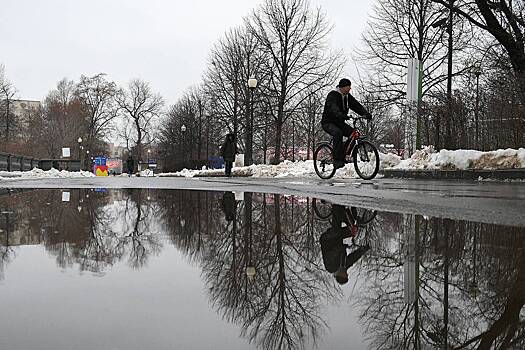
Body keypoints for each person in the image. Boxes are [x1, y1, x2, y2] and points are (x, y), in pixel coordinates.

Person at [321, 78, 372, 169]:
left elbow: (356, 106)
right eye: (348, 87)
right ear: (342, 87)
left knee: (354, 134)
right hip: (328, 122)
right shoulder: (333, 95)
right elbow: (333, 107)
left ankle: (343, 153)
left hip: (339, 122)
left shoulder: (347, 97)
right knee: (338, 133)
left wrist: (365, 114)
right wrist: (340, 115)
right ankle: (337, 160)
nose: (349, 89)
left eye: (350, 87)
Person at [320, 204, 369, 285]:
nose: (347, 274)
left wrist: (344, 246)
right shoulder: (344, 266)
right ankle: (343, 213)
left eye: (345, 276)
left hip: (327, 240)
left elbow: (332, 253)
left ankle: (336, 208)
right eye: (347, 276)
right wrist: (363, 250)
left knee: (336, 231)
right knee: (352, 231)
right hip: (338, 240)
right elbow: (353, 258)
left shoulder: (331, 268)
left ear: (340, 276)